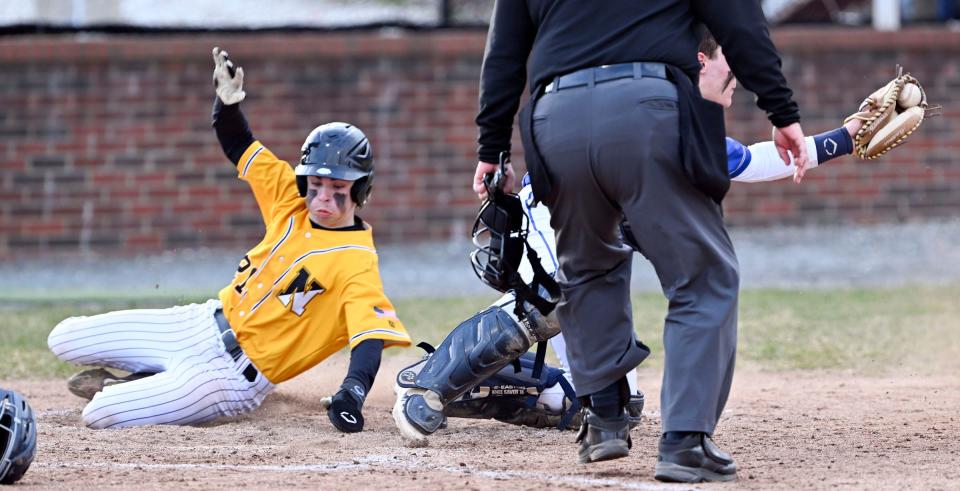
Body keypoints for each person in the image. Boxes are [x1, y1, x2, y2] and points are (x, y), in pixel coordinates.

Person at [394, 30, 861, 439]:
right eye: (729, 70)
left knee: (616, 406)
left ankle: (473, 383)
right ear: (701, 60)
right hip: (555, 209)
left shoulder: (687, 125)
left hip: (587, 255)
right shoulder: (653, 104)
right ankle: (430, 386)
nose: (735, 87)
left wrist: (847, 137)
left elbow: (761, 162)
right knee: (552, 293)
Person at [472, 1, 807, 483]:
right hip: (646, 107)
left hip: (555, 117)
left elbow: (504, 49)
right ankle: (685, 442)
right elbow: (738, 21)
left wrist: (491, 149)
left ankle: (604, 417)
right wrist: (782, 110)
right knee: (703, 276)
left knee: (586, 267)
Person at [46, 47, 411, 432]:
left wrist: (352, 392)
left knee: (100, 414)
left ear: (361, 190)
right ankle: (152, 380)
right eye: (315, 182)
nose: (322, 195)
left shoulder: (357, 261)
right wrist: (227, 104)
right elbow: (240, 146)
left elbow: (370, 337)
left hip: (232, 378)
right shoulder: (291, 198)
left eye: (337, 185)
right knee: (63, 338)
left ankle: (137, 388)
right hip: (197, 324)